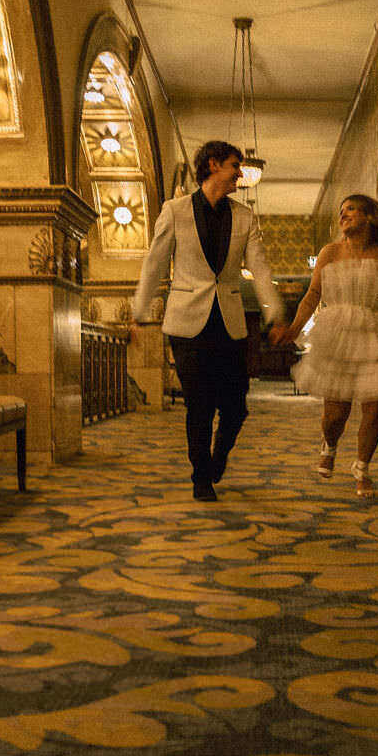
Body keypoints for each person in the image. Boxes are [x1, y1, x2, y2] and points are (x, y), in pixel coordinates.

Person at [130, 140, 285, 501]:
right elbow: (153, 264)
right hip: (186, 324)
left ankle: (218, 457)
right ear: (213, 165)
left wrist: (274, 313)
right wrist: (139, 312)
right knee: (198, 404)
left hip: (230, 324)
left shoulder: (245, 216)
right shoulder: (174, 211)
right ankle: (201, 477)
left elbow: (260, 268)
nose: (239, 174)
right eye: (235, 165)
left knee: (236, 408)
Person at [277, 193, 378, 497]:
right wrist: (294, 328)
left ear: (369, 217)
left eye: (351, 209)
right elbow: (312, 295)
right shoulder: (329, 253)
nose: (343, 215)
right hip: (338, 335)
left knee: (374, 406)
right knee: (335, 414)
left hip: (376, 333)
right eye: (341, 211)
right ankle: (329, 444)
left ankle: (362, 468)